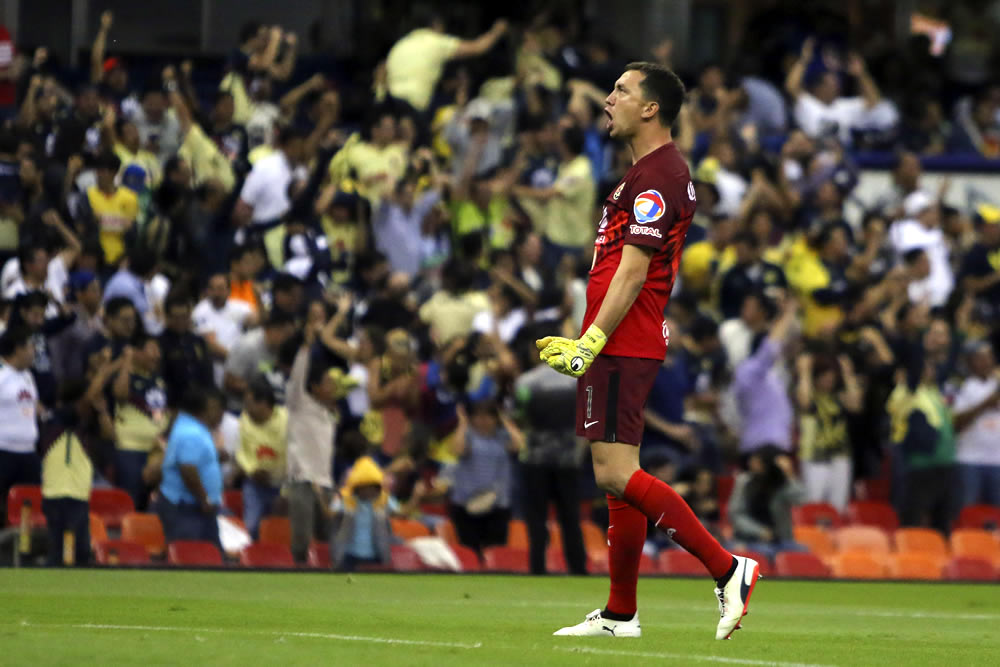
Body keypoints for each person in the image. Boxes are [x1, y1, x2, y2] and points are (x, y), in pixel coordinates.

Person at [537, 62, 755, 641]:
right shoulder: (651, 172)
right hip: (629, 337)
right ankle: (620, 613)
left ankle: (728, 568)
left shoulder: (655, 177)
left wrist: (591, 341)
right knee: (615, 478)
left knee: (615, 471)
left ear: (650, 108)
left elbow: (632, 270)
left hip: (623, 338)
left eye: (620, 91)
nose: (608, 100)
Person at [447, 399, 524, 554]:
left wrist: (505, 419)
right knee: (470, 551)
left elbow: (520, 445)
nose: (483, 421)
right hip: (467, 503)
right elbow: (457, 450)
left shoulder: (502, 437)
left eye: (488, 417)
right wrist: (463, 423)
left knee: (496, 551)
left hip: (497, 504)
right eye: (478, 417)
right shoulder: (468, 435)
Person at [155, 387, 225, 548]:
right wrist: (204, 498)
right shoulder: (191, 432)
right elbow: (188, 469)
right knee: (189, 558)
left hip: (194, 507)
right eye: (217, 409)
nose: (221, 414)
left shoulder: (194, 428)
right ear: (206, 408)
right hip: (187, 507)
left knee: (210, 558)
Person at [39, 381, 94, 566]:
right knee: (61, 552)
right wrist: (110, 367)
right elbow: (88, 399)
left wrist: (102, 411)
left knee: (82, 552)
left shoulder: (73, 422)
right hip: (61, 491)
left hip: (74, 492)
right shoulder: (59, 417)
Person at [111, 334, 167, 508]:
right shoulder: (126, 376)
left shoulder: (158, 379)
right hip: (130, 449)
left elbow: (160, 412)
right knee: (131, 501)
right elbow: (120, 394)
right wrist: (127, 361)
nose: (157, 355)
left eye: (158, 350)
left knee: (156, 501)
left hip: (156, 450)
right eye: (152, 350)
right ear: (136, 352)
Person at [235, 377, 288, 539]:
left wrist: (285, 492)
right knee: (250, 527)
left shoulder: (287, 421)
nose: (246, 408)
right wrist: (252, 470)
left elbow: (297, 459)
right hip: (255, 484)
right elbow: (241, 452)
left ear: (264, 403)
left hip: (284, 485)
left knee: (281, 533)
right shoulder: (244, 420)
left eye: (249, 403)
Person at [951, 341, 1000, 508]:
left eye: (989, 357)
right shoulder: (963, 387)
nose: (986, 361)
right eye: (980, 358)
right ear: (971, 362)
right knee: (967, 512)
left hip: (997, 461)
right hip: (969, 460)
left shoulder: (997, 385)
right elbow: (956, 424)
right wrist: (985, 405)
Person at [0, 327, 39, 522]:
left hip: (28, 454)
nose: (35, 350)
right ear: (17, 350)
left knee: (29, 510)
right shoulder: (1, 375)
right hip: (4, 452)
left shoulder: (28, 376)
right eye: (31, 346)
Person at [330, 455, 394, 571]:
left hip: (376, 556)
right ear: (358, 487)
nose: (369, 491)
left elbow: (401, 512)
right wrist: (338, 495)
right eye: (366, 487)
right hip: (349, 557)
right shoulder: (346, 500)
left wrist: (416, 496)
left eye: (373, 487)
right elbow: (330, 513)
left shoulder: (382, 501)